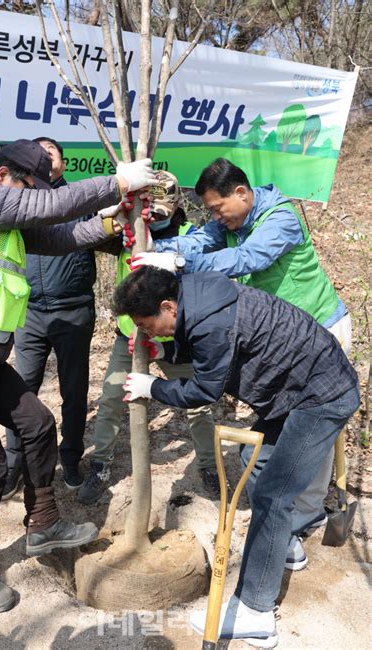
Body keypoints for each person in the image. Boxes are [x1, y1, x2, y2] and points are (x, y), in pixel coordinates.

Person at [0, 138, 156, 613]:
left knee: (38, 424)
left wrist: (115, 218)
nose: (31, 197)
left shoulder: (6, 224)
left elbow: (63, 235)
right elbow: (49, 204)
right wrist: (118, 180)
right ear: (4, 175)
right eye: (28, 185)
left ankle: (43, 522)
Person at [115, 266, 359, 648]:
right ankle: (284, 546)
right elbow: (204, 342)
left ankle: (256, 612)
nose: (147, 332)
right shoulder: (196, 294)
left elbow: (204, 389)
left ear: (168, 305)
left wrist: (154, 387)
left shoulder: (210, 321)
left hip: (320, 397)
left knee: (272, 496)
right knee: (254, 457)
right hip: (295, 391)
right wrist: (165, 349)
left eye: (148, 325)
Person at [130, 157, 352, 543]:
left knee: (310, 429)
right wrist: (154, 246)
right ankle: (286, 504)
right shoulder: (230, 220)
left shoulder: (279, 219)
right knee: (286, 424)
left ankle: (306, 515)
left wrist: (179, 261)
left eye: (218, 208)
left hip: (320, 332)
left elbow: (248, 258)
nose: (216, 217)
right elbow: (198, 241)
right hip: (279, 342)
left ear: (241, 193)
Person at [77, 171, 218, 505]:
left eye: (158, 207)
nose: (152, 214)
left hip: (176, 339)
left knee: (197, 404)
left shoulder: (191, 236)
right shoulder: (128, 232)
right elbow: (89, 235)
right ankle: (101, 465)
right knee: (112, 397)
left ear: (174, 204)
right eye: (146, 205)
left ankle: (210, 467)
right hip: (130, 335)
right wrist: (111, 215)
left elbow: (203, 274)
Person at [2, 136, 98, 498]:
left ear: (63, 164)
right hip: (28, 312)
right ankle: (14, 461)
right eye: (38, 153)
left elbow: (106, 237)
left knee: (75, 391)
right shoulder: (16, 201)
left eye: (51, 152)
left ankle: (70, 457)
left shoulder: (80, 201)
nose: (44, 157)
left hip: (73, 309)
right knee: (20, 391)